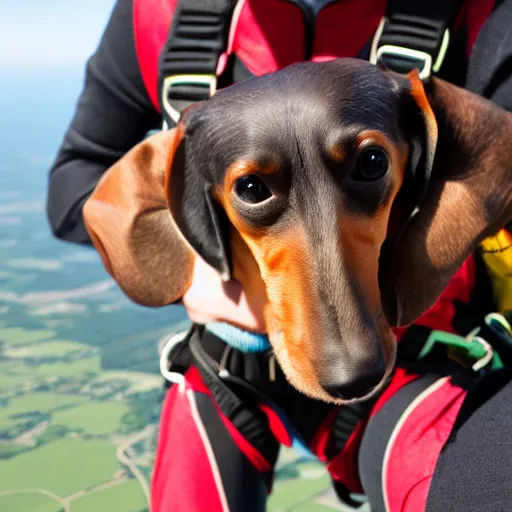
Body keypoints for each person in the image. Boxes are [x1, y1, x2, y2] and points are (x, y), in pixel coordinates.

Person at [47, 0, 512, 510]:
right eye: (250, 186)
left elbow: (490, 156)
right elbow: (74, 182)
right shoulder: (154, 15)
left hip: (416, 358)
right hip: (229, 360)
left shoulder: (487, 16)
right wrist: (200, 285)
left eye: (370, 163)